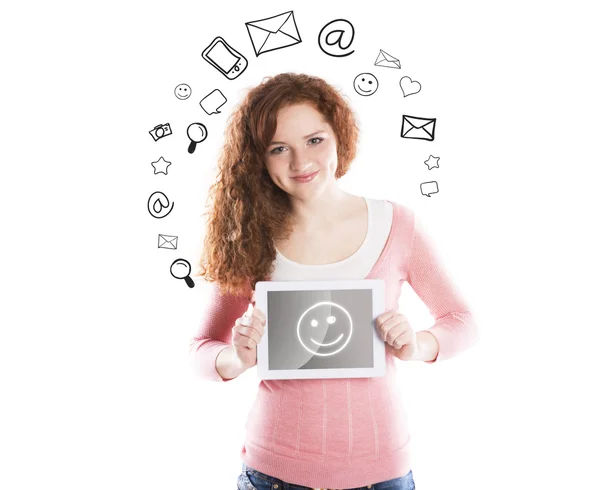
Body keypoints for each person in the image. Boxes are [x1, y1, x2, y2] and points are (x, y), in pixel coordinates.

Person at [189, 73, 480, 490]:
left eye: (314, 140)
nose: (300, 162)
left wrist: (418, 345)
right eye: (278, 149)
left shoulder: (396, 225)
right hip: (274, 474)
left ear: (339, 135)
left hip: (383, 472)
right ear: (258, 158)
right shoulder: (249, 235)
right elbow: (200, 349)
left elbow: (462, 320)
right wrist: (238, 358)